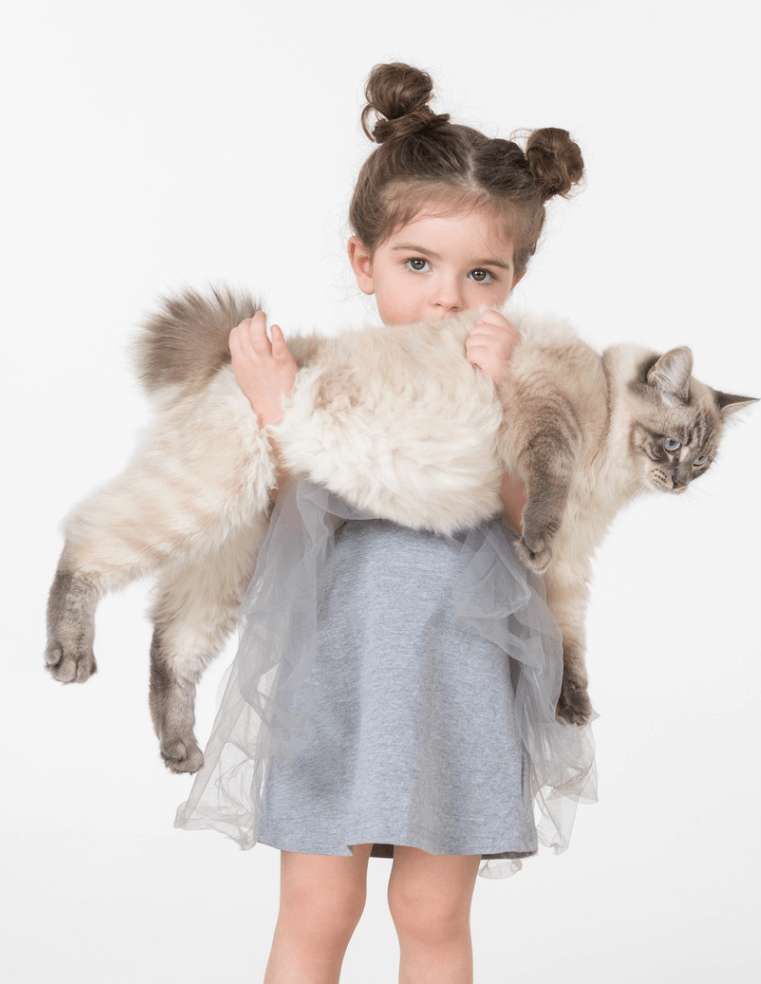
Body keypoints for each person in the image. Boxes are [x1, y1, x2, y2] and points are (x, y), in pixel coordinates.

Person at [175, 63, 595, 984]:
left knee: (431, 910)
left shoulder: (519, 382)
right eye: (418, 264)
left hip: (459, 674)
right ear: (364, 263)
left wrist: (504, 400)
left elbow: (539, 527)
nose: (447, 297)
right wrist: (276, 404)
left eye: (480, 274)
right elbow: (277, 514)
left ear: (513, 281)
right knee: (319, 907)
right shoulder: (333, 377)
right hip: (340, 668)